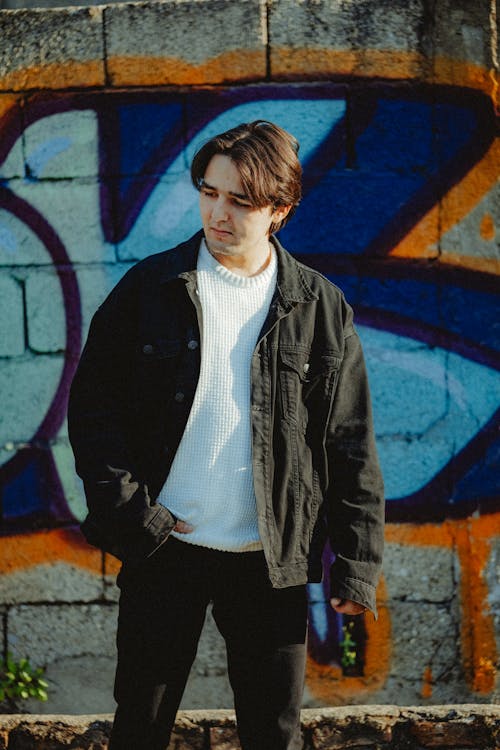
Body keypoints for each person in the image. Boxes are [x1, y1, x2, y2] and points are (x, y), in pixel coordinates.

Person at [68, 120, 384, 750]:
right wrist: (134, 515)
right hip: (165, 549)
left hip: (268, 560)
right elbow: (94, 414)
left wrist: (355, 569)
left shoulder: (319, 308)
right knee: (141, 728)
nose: (218, 212)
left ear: (280, 210)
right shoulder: (149, 291)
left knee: (275, 734)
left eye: (240, 201)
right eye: (209, 193)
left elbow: (349, 446)